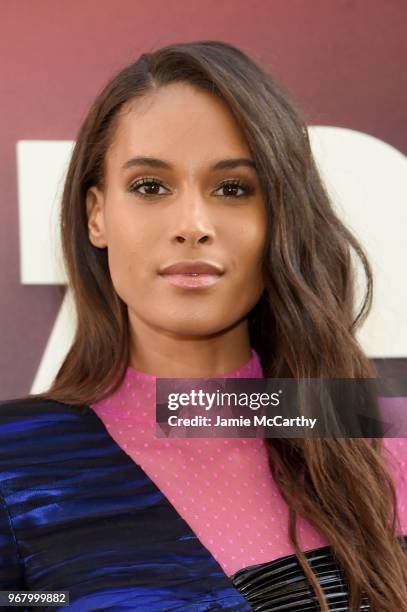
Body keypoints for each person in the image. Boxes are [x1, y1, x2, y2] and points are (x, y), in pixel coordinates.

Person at [0, 40, 406, 612]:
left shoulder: (377, 436)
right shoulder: (16, 459)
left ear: (281, 217)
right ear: (97, 214)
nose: (192, 224)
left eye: (233, 189)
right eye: (150, 187)